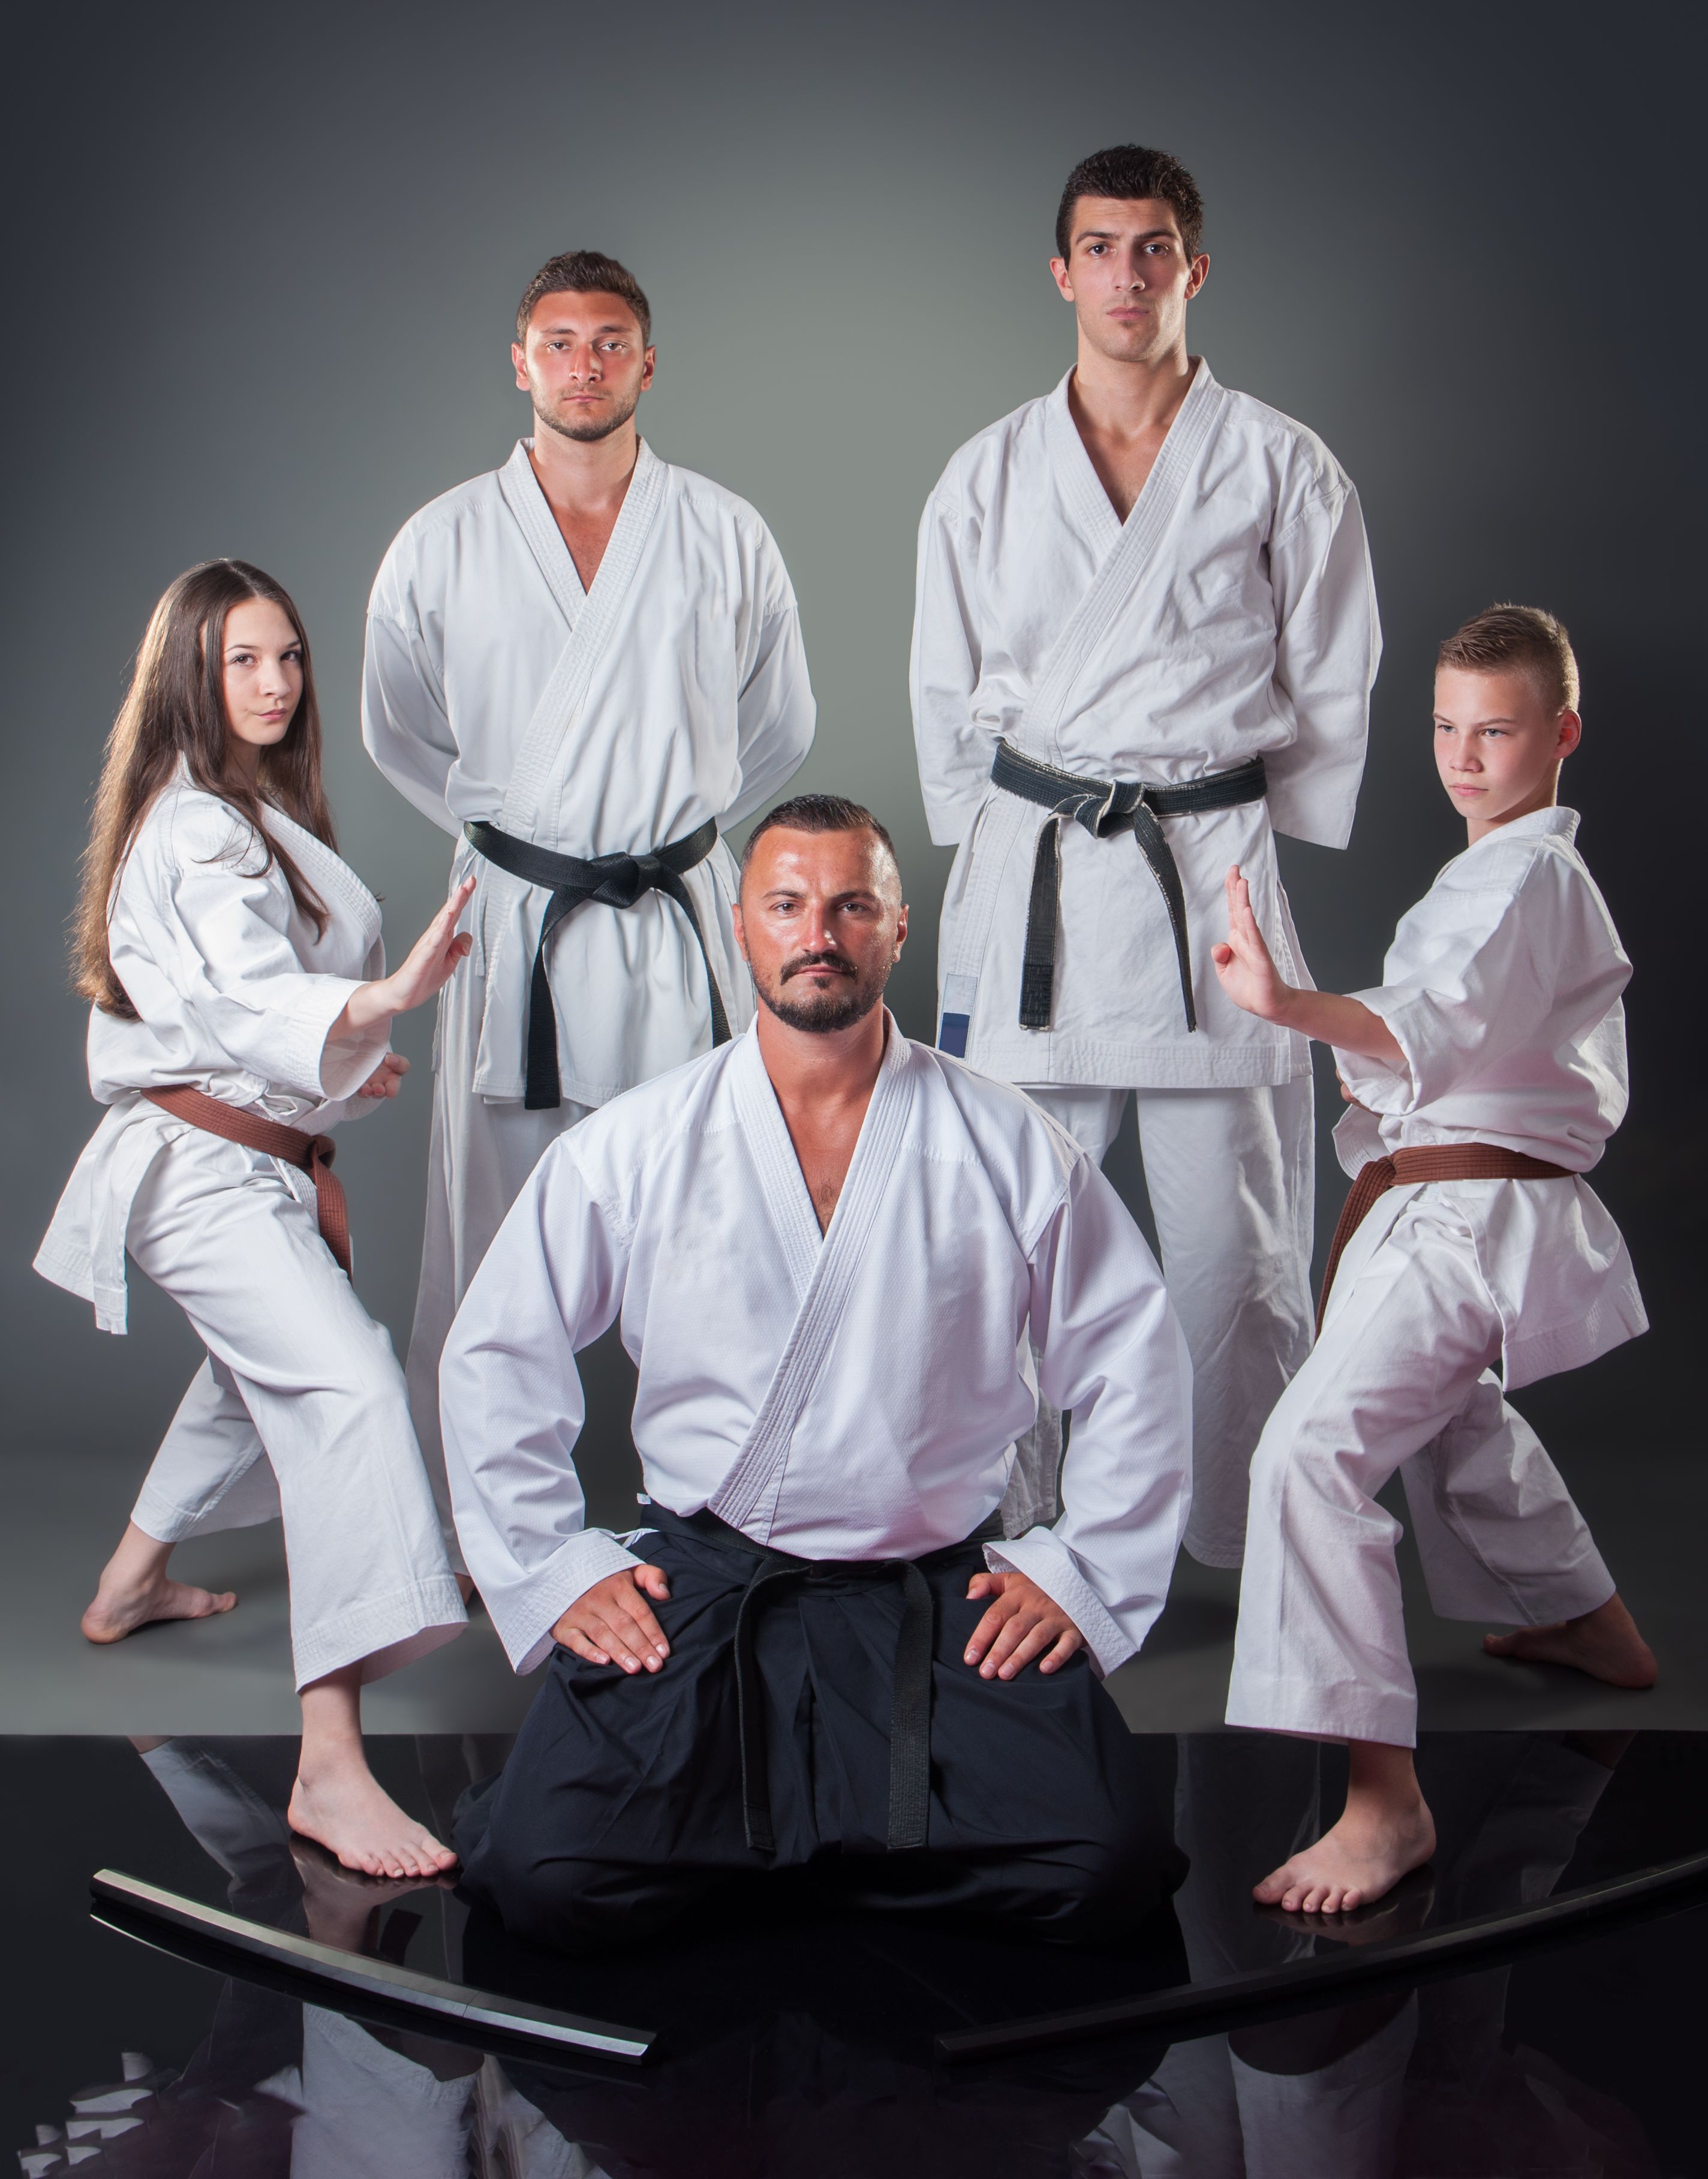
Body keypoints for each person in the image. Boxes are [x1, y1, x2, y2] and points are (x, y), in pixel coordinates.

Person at [441, 795, 1195, 1949]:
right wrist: (550, 1568)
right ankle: (841, 1859)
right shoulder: (639, 1142)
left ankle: (790, 1858)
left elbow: (1136, 1355)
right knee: (549, 1879)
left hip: (941, 1594)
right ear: (741, 927)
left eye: (852, 906)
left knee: (1104, 1868)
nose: (819, 933)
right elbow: (497, 1351)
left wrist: (1082, 1570)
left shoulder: (1004, 1140)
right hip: (701, 1587)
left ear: (899, 929)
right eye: (787, 904)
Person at [910, 143, 1379, 1558]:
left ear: (1193, 267)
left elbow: (1332, 669)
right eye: (1101, 247)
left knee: (1233, 1251)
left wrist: (1239, 814)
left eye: (1153, 245)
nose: (1127, 272)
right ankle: (1004, 1536)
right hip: (1039, 881)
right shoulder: (987, 470)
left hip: (1202, 880)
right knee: (1003, 1237)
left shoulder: (1277, 461)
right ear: (1062, 273)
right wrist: (986, 843)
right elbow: (947, 694)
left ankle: (1247, 1542)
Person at [362, 248, 816, 1550]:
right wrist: (527, 836)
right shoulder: (442, 540)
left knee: (715, 1221)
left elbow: (775, 729)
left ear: (647, 361)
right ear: (519, 362)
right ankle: (484, 1529)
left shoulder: (724, 530)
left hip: (676, 918)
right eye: (557, 342)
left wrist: (661, 832)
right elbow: (404, 732)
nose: (582, 365)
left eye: (608, 340)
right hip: (522, 928)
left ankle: (730, 1508)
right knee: (498, 1242)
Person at [35, 560, 476, 1876]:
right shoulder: (198, 829)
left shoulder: (242, 811)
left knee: (257, 1367)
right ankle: (329, 1763)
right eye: (244, 661)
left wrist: (348, 1057)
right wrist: (385, 996)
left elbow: (248, 1014)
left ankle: (128, 1579)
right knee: (343, 1382)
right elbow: (245, 998)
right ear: (192, 675)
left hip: (237, 1156)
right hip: (200, 1174)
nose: (277, 682)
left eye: (288, 656)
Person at [1214, 603, 1655, 1913]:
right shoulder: (1500, 873)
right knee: (1451, 1418)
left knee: (1307, 1456)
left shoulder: (1524, 876)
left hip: (1457, 1215)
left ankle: (1379, 1799)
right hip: (1444, 1198)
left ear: (1559, 733)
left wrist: (1286, 1005)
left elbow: (1435, 1020)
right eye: (1443, 729)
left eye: (1496, 731)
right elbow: (1443, 1025)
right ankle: (1589, 1620)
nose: (1462, 757)